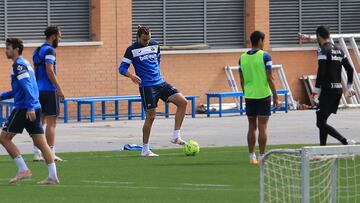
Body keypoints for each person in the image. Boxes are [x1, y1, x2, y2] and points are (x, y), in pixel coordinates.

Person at [119, 25, 188, 157]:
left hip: (160, 83)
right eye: (144, 40)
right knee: (151, 117)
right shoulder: (131, 50)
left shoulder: (155, 44)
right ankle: (145, 149)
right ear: (138, 37)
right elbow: (122, 68)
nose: (147, 42)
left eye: (149, 39)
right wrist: (132, 76)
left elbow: (158, 60)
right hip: (147, 87)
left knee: (183, 102)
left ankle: (176, 136)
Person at [0, 38, 59, 184]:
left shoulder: (19, 65)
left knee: (4, 138)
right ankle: (53, 176)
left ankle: (23, 170)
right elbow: (19, 89)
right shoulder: (25, 64)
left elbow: (28, 86)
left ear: (15, 49)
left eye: (7, 48)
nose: (5, 50)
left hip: (24, 108)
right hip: (33, 107)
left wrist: (30, 106)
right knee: (42, 143)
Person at [311, 26, 356, 146]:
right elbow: (350, 69)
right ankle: (322, 151)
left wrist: (315, 91)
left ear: (318, 36)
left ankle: (345, 141)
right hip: (337, 90)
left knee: (320, 123)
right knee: (322, 120)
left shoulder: (322, 50)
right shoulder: (339, 50)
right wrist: (349, 86)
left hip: (327, 91)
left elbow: (322, 71)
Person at [239, 31, 278, 164]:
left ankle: (251, 156)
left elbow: (241, 79)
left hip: (249, 96)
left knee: (251, 126)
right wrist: (276, 95)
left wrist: (246, 93)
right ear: (260, 41)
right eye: (264, 40)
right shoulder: (265, 56)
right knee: (262, 127)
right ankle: (262, 157)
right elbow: (270, 77)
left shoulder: (242, 57)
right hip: (263, 95)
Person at [32, 25, 64, 162]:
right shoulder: (50, 50)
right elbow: (49, 70)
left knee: (40, 122)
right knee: (52, 123)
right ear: (53, 36)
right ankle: (50, 153)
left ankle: (37, 152)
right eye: (60, 36)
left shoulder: (37, 50)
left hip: (38, 90)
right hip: (49, 90)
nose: (60, 38)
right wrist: (59, 88)